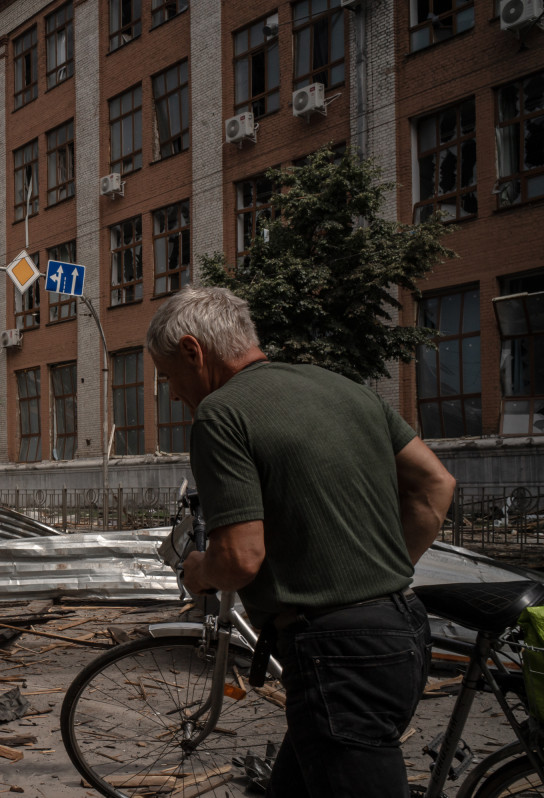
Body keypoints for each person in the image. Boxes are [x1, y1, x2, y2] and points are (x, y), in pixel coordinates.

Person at [145, 286, 456, 798]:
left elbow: (240, 558)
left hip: (337, 654)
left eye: (167, 377)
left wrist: (198, 570)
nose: (174, 394)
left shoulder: (222, 414)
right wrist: (374, 575)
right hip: (402, 629)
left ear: (192, 351)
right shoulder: (347, 390)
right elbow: (436, 486)